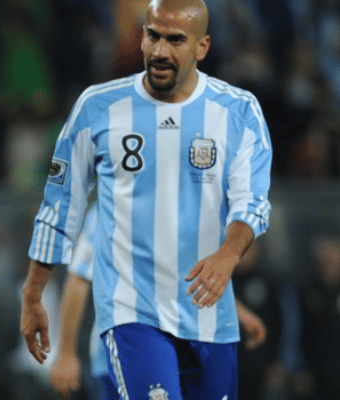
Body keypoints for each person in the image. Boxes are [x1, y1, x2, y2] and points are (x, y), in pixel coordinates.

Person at [20, 0, 273, 399]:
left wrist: (228, 255)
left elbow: (252, 202)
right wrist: (33, 293)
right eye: (153, 35)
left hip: (211, 321)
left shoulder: (238, 112)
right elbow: (59, 204)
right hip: (132, 314)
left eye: (175, 40)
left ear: (202, 47)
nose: (160, 51)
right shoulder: (97, 107)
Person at [49, 205, 268, 400]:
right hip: (127, 346)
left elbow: (190, 273)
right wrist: (66, 352)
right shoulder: (111, 204)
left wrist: (237, 311)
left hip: (186, 344)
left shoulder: (189, 203)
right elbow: (79, 278)